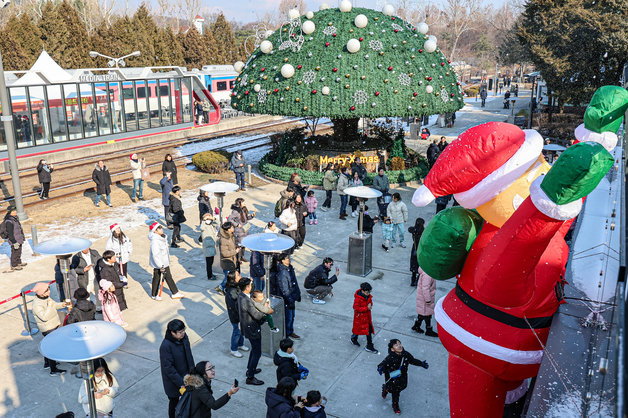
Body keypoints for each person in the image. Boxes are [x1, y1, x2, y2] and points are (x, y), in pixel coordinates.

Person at [377, 339, 429, 414]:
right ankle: (395, 405)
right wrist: (380, 368)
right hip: (392, 379)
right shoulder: (389, 358)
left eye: (399, 344)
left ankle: (386, 389)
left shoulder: (405, 355)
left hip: (402, 377)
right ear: (392, 349)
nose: (399, 346)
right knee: (395, 392)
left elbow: (412, 360)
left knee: (399, 389)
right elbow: (382, 364)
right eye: (396, 345)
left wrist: (421, 363)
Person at [160, 319, 195, 418]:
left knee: (189, 400)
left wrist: (193, 371)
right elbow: (169, 369)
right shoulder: (165, 346)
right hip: (174, 382)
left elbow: (189, 355)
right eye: (180, 332)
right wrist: (181, 383)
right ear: (172, 333)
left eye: (184, 330)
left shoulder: (184, 337)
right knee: (174, 403)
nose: (183, 333)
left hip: (187, 376)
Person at [238, 277, 269, 385]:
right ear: (247, 287)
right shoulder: (245, 300)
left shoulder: (242, 295)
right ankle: (250, 377)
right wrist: (264, 309)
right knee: (257, 352)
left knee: (254, 350)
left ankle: (250, 368)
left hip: (249, 327)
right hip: (252, 329)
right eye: (250, 285)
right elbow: (257, 315)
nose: (252, 287)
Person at [31, 282, 68, 375]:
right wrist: (50, 305)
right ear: (41, 292)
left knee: (48, 345)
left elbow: (54, 305)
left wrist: (63, 304)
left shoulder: (46, 298)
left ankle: (47, 363)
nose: (49, 291)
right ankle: (53, 369)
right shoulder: (37, 304)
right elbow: (44, 317)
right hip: (48, 328)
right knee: (51, 348)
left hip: (53, 325)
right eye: (47, 290)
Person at [148, 222, 184, 300]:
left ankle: (154, 294)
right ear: (155, 231)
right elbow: (155, 255)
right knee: (165, 277)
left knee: (158, 277)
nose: (161, 229)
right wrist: (161, 265)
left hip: (164, 261)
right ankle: (174, 292)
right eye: (159, 228)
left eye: (161, 227)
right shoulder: (155, 241)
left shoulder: (162, 238)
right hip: (161, 263)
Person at [273, 254, 301, 339]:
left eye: (289, 257)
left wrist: (298, 294)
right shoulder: (282, 272)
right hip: (287, 299)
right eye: (286, 258)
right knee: (287, 318)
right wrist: (290, 300)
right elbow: (284, 289)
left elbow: (294, 282)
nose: (289, 259)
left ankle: (290, 331)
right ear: (282, 260)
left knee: (292, 316)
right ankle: (286, 335)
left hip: (292, 297)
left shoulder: (290, 268)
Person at [224, 271, 248, 358]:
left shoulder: (237, 286)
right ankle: (234, 349)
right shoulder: (231, 291)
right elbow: (234, 306)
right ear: (233, 279)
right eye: (238, 275)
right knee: (236, 331)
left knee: (241, 330)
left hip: (240, 315)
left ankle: (240, 344)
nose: (240, 276)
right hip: (235, 316)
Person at [350, 282, 378, 353]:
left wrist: (370, 304)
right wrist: (366, 308)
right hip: (360, 319)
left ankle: (369, 345)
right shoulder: (358, 299)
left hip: (367, 318)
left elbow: (370, 302)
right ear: (362, 291)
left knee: (368, 331)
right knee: (358, 330)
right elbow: (356, 308)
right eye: (367, 292)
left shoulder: (368, 296)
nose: (368, 293)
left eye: (369, 292)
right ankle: (354, 339)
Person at [412, 267, 438, 337]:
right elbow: (425, 288)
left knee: (423, 313)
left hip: (423, 297)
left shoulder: (426, 271)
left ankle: (417, 325)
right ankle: (428, 330)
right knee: (427, 314)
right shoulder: (427, 275)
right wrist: (428, 300)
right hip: (425, 298)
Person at [217, 222, 239, 295]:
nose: (233, 228)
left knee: (230, 277)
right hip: (227, 262)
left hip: (232, 260)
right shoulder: (223, 239)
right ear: (228, 229)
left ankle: (225, 287)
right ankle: (221, 287)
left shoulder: (231, 235)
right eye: (232, 227)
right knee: (228, 278)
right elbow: (224, 253)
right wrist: (235, 251)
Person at [4, 205, 26, 272]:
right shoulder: (9, 221)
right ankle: (14, 265)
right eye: (14, 211)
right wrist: (13, 242)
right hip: (14, 240)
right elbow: (10, 233)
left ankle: (18, 262)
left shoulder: (15, 218)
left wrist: (22, 237)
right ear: (10, 212)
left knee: (19, 251)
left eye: (15, 210)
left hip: (18, 238)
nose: (15, 212)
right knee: (15, 252)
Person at [200, 213, 218, 281]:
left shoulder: (211, 224)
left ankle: (211, 274)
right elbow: (201, 227)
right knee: (209, 263)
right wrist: (204, 220)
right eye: (208, 219)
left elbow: (218, 223)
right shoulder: (204, 225)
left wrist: (213, 219)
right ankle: (209, 276)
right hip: (208, 247)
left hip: (212, 246)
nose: (209, 220)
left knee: (211, 262)